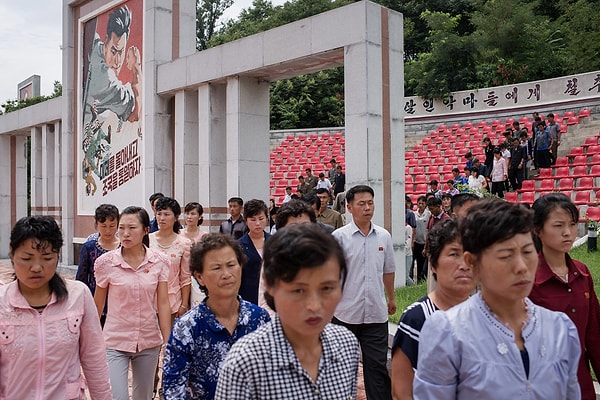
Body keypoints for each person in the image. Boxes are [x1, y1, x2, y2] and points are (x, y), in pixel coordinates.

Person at [413, 199, 581, 399]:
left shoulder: (560, 329)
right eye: (505, 255)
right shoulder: (448, 332)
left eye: (528, 252)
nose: (521, 266)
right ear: (472, 262)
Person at [215, 224, 360, 399]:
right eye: (299, 291)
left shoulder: (346, 344)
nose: (314, 306)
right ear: (270, 285)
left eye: (327, 288)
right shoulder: (245, 363)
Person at [0, 216, 112, 399]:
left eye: (47, 258)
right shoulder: (2, 303)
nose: (36, 267)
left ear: (57, 255)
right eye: (27, 258)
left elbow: (94, 359)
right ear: (12, 254)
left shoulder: (78, 296)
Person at [162, 233, 271, 399]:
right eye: (217, 268)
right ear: (199, 277)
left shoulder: (260, 319)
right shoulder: (187, 327)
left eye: (231, 265)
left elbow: (273, 377)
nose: (226, 274)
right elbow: (173, 389)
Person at [391, 218, 476, 400]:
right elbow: (402, 392)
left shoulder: (489, 316)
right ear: (433, 263)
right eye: (454, 254)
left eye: (471, 255)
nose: (464, 264)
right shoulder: (416, 318)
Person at [94, 206, 172, 400]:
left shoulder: (159, 261)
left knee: (143, 397)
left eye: (132, 228)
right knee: (117, 396)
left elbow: (163, 303)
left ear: (146, 230)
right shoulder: (106, 263)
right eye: (121, 228)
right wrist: (90, 340)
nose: (125, 234)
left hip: (148, 341)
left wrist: (168, 340)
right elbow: (98, 305)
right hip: (115, 341)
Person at [529, 193, 600, 400]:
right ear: (537, 229)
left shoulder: (582, 273)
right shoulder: (525, 280)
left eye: (572, 224)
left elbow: (594, 334)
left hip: (580, 385)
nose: (568, 233)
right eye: (558, 226)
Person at [332, 185, 396, 400]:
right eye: (361, 204)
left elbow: (388, 270)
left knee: (377, 367)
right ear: (349, 207)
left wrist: (392, 298)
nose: (367, 208)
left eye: (370, 203)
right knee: (342, 370)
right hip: (345, 314)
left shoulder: (384, 236)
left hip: (376, 315)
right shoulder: (339, 238)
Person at [82, 5, 142, 125]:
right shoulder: (107, 80)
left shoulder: (93, 41)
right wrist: (136, 68)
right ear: (106, 41)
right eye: (113, 51)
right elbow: (135, 115)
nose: (117, 61)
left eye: (121, 52)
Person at [76, 203, 120, 326]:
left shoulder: (124, 247)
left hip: (119, 300)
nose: (108, 230)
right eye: (103, 226)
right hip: (94, 297)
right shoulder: (89, 247)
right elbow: (81, 278)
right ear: (96, 224)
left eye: (112, 226)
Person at [149, 197, 193, 320]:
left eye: (166, 214)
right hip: (149, 300)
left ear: (176, 217)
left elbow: (185, 277)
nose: (162, 218)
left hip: (173, 301)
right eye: (159, 214)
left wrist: (184, 304)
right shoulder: (147, 240)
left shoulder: (184, 243)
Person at [238, 199, 270, 305]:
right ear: (246, 220)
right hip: (248, 297)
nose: (257, 223)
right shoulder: (239, 245)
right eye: (253, 219)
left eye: (261, 219)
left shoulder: (275, 242)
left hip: (271, 297)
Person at [413, 195, 430, 283]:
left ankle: (421, 280)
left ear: (425, 204)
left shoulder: (428, 214)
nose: (420, 205)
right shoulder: (414, 214)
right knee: (415, 262)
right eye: (419, 203)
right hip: (416, 242)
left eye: (422, 203)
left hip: (424, 242)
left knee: (422, 263)